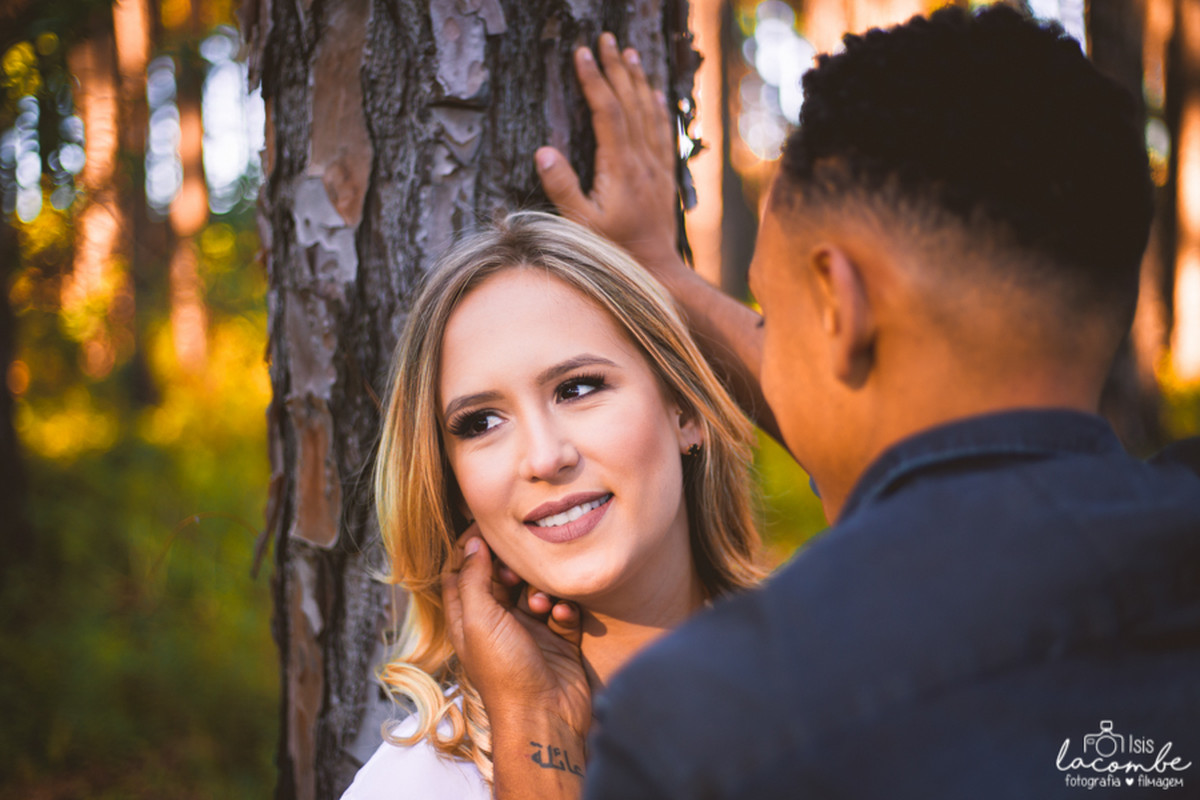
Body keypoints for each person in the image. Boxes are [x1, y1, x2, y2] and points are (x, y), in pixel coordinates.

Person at [448, 6, 1200, 798]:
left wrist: (534, 730)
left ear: (841, 307)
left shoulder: (719, 725)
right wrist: (661, 275)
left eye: (772, 316)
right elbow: (948, 450)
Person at [340, 210, 767, 798]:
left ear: (685, 411)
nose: (543, 457)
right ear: (455, 486)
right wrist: (530, 725)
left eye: (579, 388)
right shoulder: (417, 785)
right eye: (481, 422)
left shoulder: (859, 690)